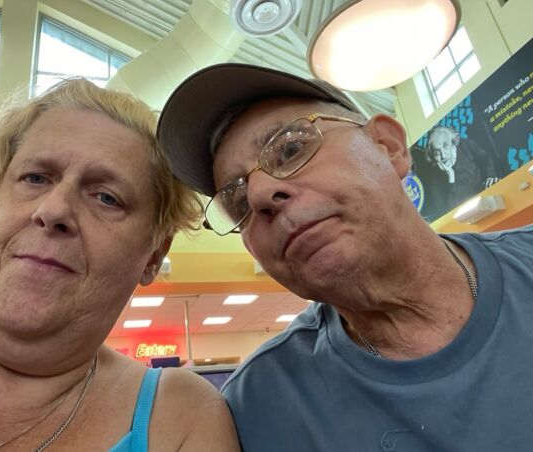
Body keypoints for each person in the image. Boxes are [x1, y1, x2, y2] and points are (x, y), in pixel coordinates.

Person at [156, 63, 533, 451]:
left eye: (290, 149)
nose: (259, 195)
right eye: (236, 202)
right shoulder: (254, 409)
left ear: (388, 146)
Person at [0, 78, 240, 451]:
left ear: (154, 255)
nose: (54, 209)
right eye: (35, 178)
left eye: (106, 197)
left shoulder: (179, 420)